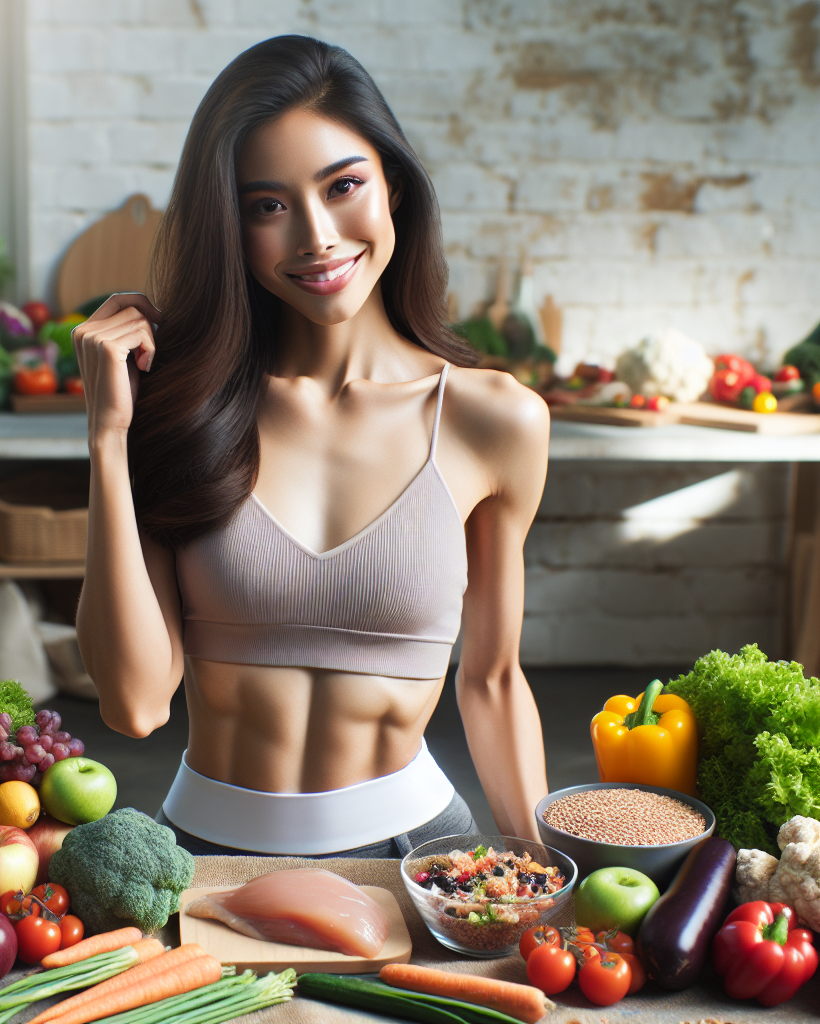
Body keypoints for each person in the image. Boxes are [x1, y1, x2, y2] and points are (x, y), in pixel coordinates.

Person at [73, 35, 550, 857]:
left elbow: (494, 680)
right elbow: (136, 705)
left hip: (423, 855)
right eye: (268, 205)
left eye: (344, 185)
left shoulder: (493, 419)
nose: (318, 235)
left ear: (392, 183)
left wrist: (548, 867)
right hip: (202, 860)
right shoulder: (179, 409)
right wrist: (108, 437)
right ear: (232, 225)